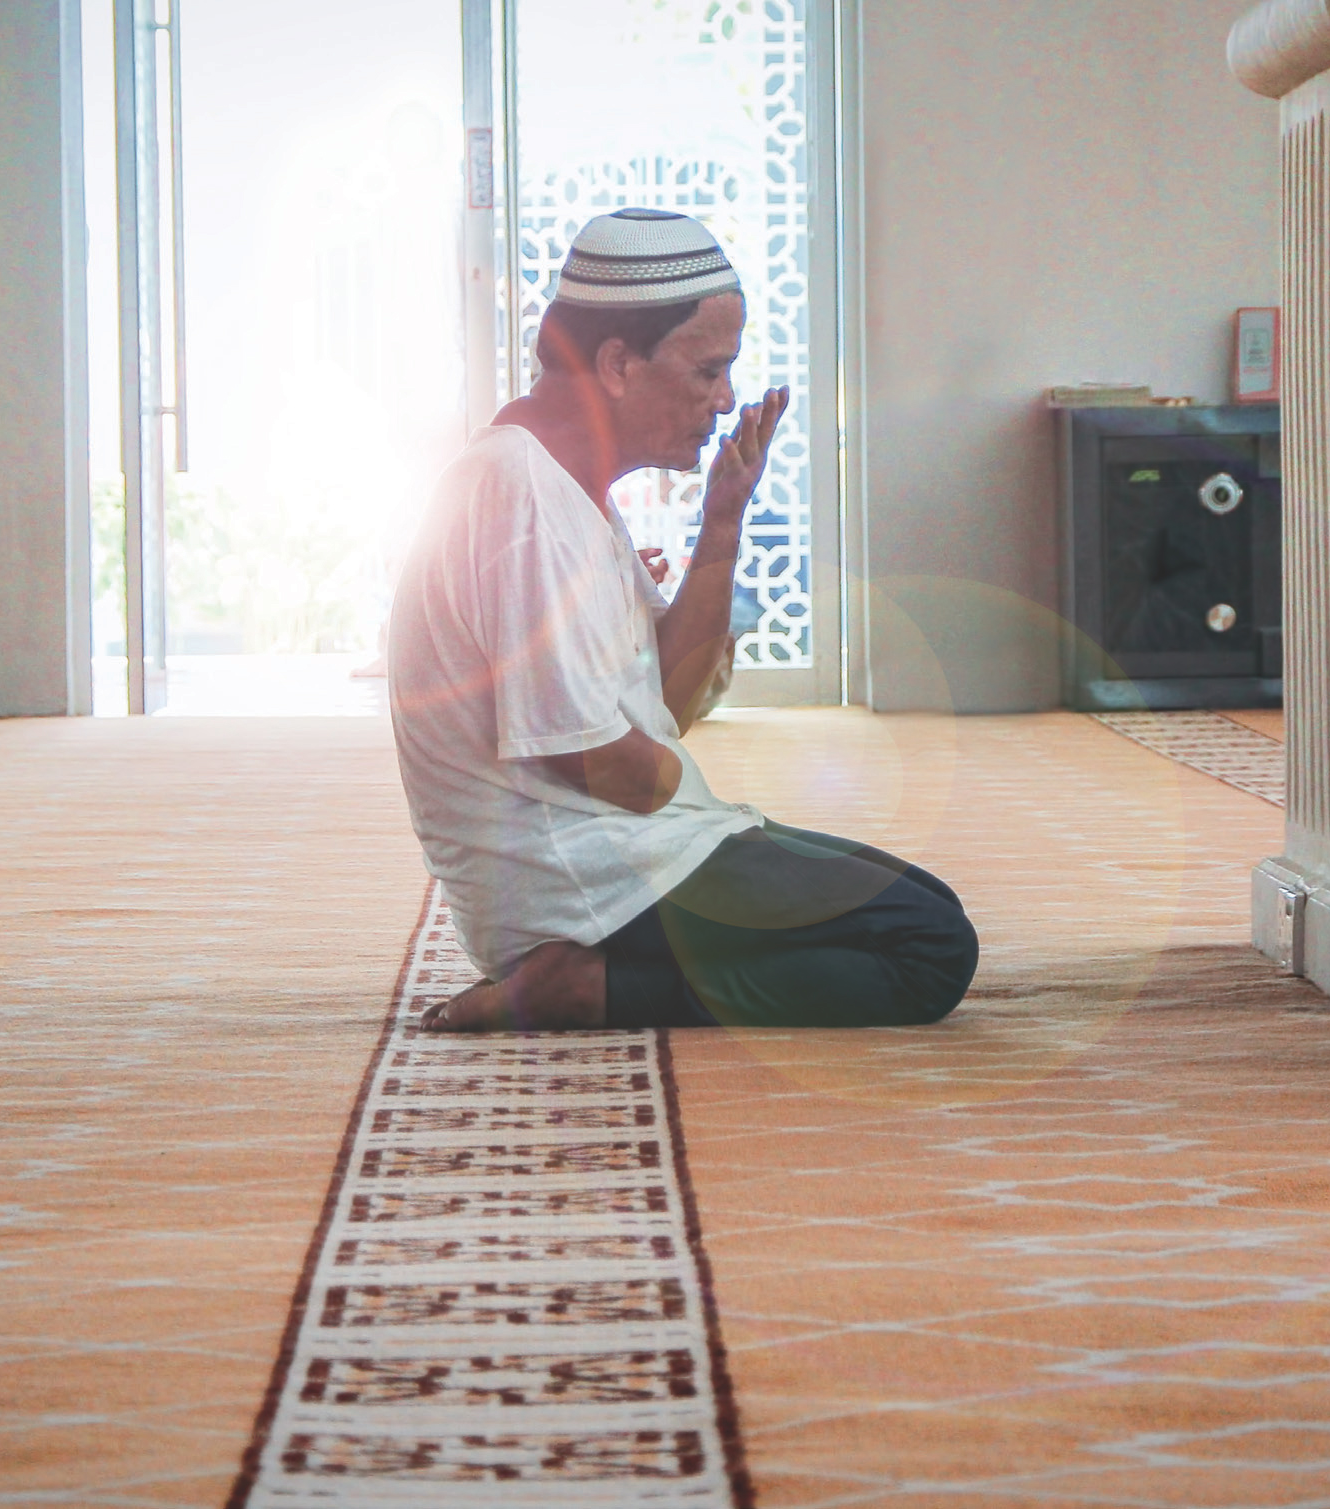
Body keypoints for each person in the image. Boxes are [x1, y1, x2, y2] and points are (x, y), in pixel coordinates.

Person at [387, 207, 978, 1032]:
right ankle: (582, 987)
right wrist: (700, 810)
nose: (725, 398)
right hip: (584, 880)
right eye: (708, 370)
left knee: (920, 900)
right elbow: (599, 764)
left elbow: (669, 701)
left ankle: (607, 971)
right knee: (930, 944)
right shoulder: (521, 498)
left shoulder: (567, 487)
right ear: (617, 363)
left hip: (626, 850)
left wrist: (722, 526)